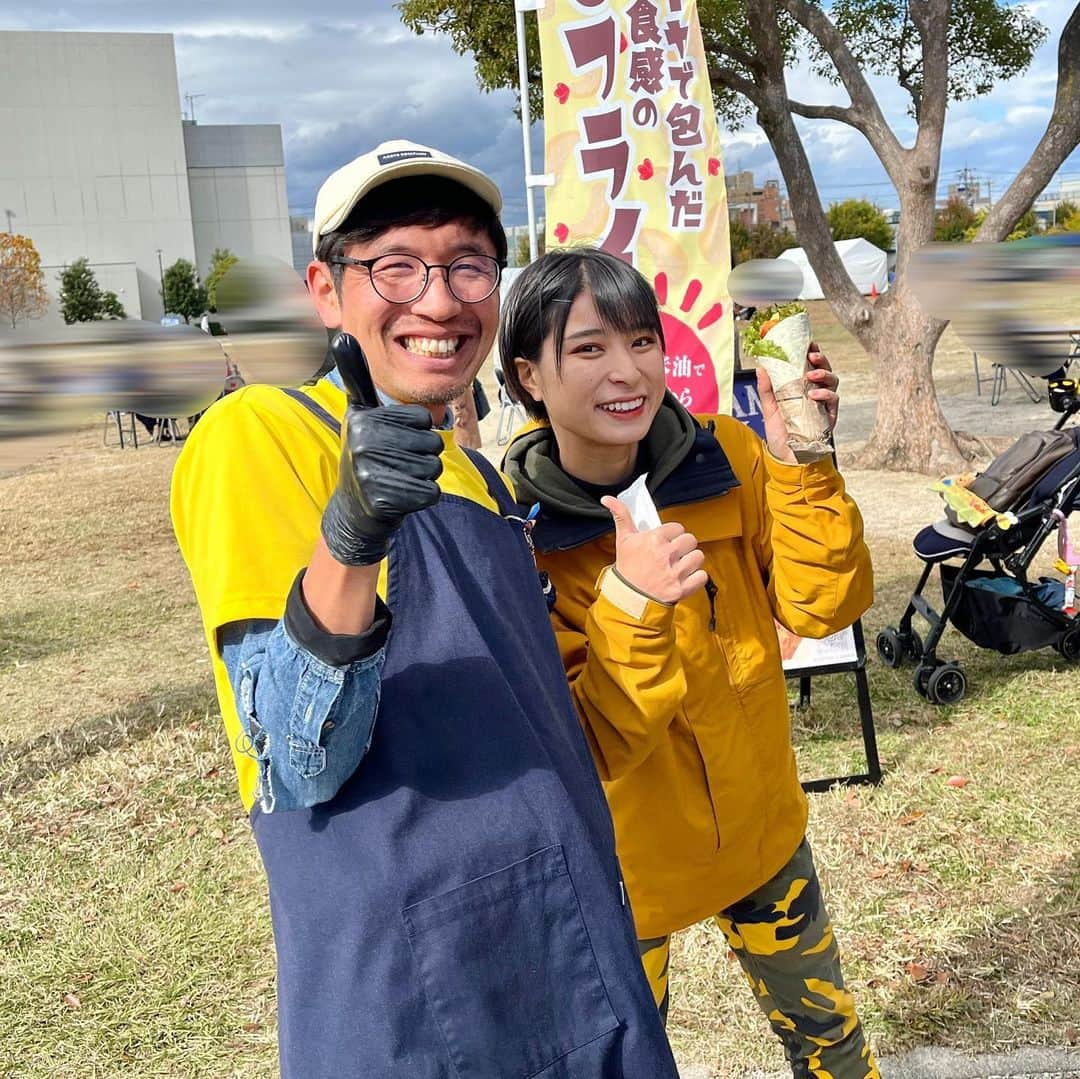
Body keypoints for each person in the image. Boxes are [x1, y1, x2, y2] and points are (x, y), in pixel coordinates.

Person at [170, 142, 678, 1079]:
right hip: (409, 984)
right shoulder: (260, 434)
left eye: (467, 265)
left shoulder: (480, 478)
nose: (439, 300)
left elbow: (565, 735)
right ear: (326, 288)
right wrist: (354, 532)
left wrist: (637, 605)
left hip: (572, 944)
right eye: (395, 264)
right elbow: (296, 751)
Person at [499, 248, 879, 1079]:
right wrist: (631, 602)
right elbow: (595, 738)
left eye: (641, 341)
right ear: (531, 374)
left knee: (834, 1052)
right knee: (623, 1067)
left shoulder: (728, 456)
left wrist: (801, 459)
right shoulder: (513, 533)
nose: (627, 370)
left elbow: (825, 606)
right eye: (589, 347)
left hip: (763, 839)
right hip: (625, 880)